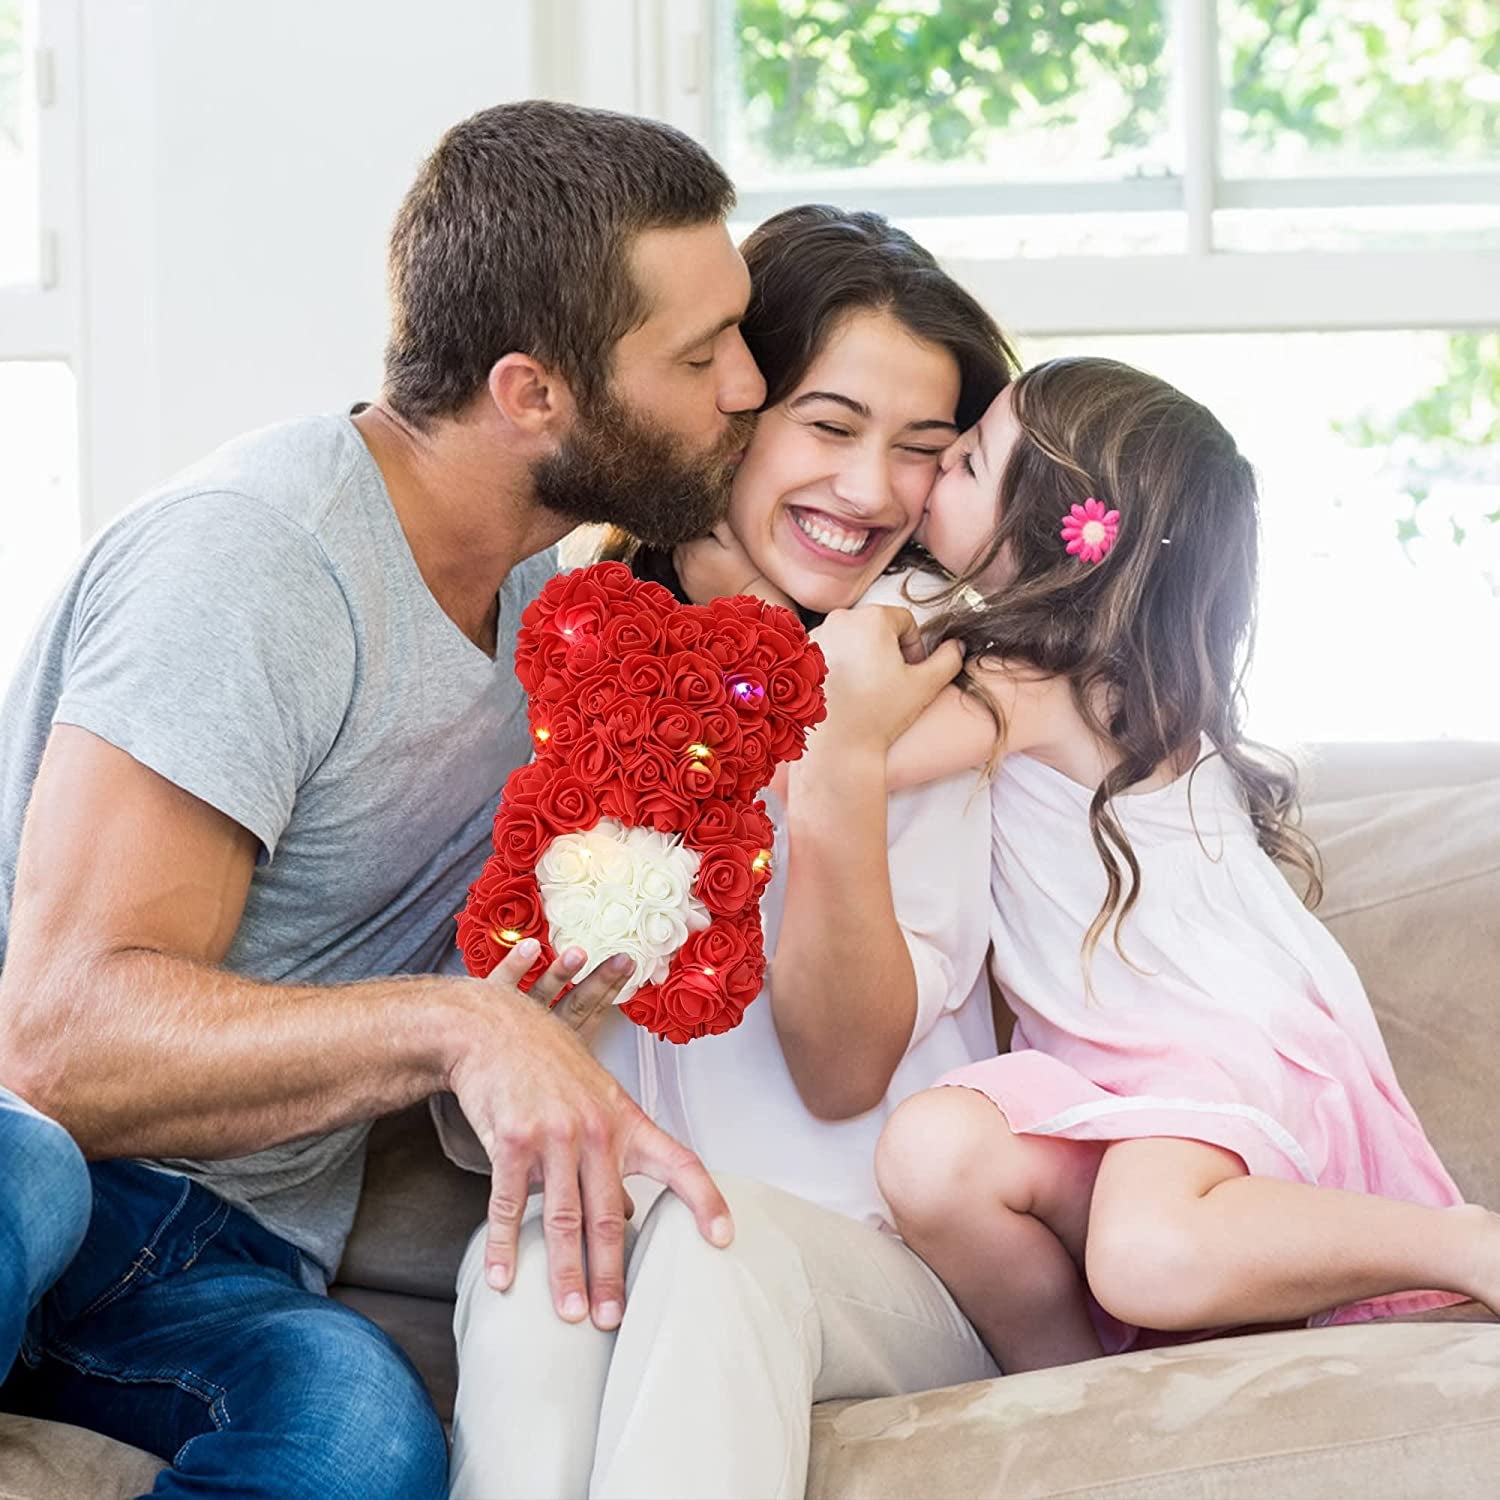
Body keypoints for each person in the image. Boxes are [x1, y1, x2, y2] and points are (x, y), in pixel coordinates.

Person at [0, 100, 757, 1497]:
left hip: (218, 1255)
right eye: (702, 355)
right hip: (31, 1166)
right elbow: (51, 1046)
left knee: (363, 1437)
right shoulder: (258, 562)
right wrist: (454, 1022)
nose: (748, 386)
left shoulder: (552, 617)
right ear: (533, 394)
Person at [436, 205, 1018, 1500]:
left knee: (716, 1238)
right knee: (532, 1256)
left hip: (883, 1267)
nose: (870, 492)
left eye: (921, 451)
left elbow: (838, 1064)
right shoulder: (576, 647)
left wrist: (831, 751)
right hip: (639, 1221)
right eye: (829, 426)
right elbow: (488, 1132)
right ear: (731, 411)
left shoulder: (934, 676)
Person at [803, 355, 1499, 1376]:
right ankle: (1076, 1389)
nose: (935, 463)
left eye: (965, 459)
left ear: (1051, 532)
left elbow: (834, 758)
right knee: (930, 1152)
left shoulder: (1032, 677)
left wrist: (839, 633)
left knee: (1143, 1256)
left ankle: (1462, 1243)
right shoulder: (1116, 676)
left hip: (1208, 1056)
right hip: (1127, 1076)